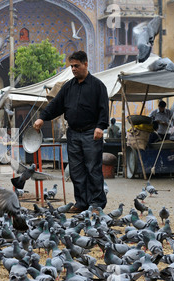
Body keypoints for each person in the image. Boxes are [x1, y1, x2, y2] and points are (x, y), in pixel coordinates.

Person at [33, 51, 109, 213]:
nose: (73, 69)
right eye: (72, 66)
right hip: (73, 134)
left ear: (86, 64)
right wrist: (42, 118)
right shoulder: (68, 87)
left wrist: (100, 127)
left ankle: (96, 204)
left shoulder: (97, 86)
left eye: (77, 66)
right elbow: (56, 105)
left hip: (91, 133)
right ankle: (81, 203)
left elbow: (104, 108)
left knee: (93, 169)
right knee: (76, 170)